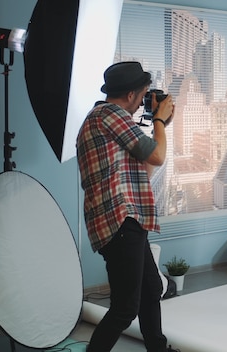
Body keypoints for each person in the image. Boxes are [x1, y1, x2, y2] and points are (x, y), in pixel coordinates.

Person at [76, 61, 176, 352]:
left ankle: (159, 348)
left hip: (125, 220)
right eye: (143, 94)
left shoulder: (102, 118)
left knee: (151, 289)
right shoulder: (111, 116)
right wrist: (158, 121)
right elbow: (157, 156)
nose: (142, 102)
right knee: (124, 308)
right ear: (132, 94)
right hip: (119, 221)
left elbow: (144, 170)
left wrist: (159, 124)